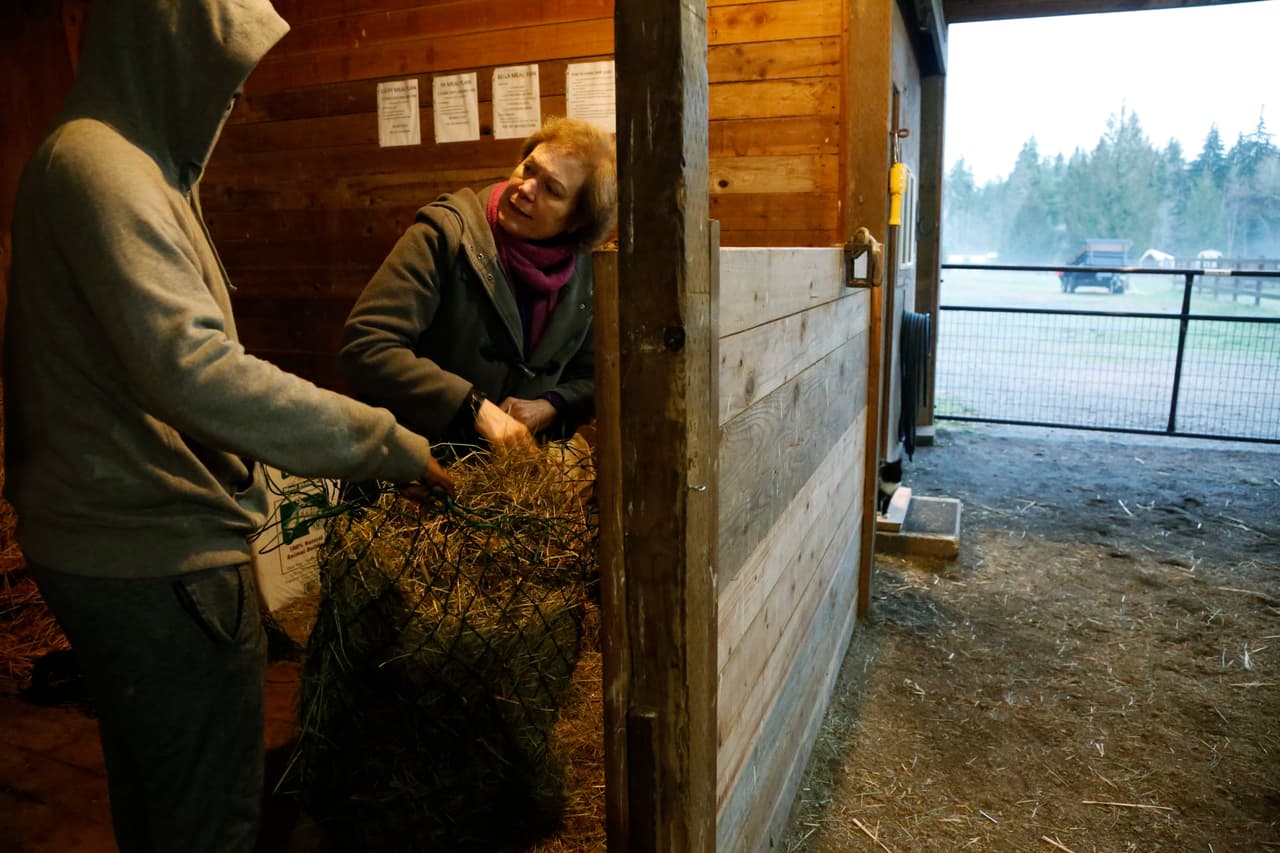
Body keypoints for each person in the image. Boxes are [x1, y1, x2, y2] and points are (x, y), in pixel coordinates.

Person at [2, 2, 453, 851]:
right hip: (153, 549)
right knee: (210, 816)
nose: (237, 96)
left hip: (111, 538)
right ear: (162, 50)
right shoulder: (104, 169)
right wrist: (384, 443)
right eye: (223, 69)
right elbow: (197, 371)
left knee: (160, 794)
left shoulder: (110, 162)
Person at [339, 116, 617, 450]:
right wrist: (472, 408)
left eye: (552, 189)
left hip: (509, 482)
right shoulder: (444, 235)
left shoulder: (585, 271)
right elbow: (366, 346)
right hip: (412, 469)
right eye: (529, 169)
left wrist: (552, 404)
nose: (526, 189)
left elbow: (595, 375)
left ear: (577, 220)